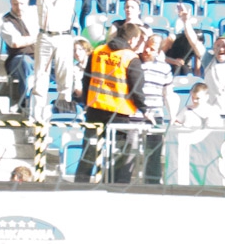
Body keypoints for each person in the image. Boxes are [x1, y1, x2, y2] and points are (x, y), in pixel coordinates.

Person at [74, 22, 147, 183]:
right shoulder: (130, 57)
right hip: (119, 113)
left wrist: (87, 102)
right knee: (118, 153)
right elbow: (136, 87)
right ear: (133, 39)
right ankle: (113, 186)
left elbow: (86, 80)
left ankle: (80, 184)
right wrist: (144, 109)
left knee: (89, 151)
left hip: (95, 109)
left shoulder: (97, 51)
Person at [33, 0, 81, 119]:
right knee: (40, 78)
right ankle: (37, 117)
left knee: (65, 79)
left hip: (64, 37)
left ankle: (62, 115)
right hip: (45, 36)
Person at [137, 34, 172, 183]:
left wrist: (172, 115)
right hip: (136, 114)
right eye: (146, 46)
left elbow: (168, 93)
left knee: (154, 152)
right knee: (129, 150)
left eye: (151, 49)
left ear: (158, 52)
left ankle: (152, 184)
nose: (147, 50)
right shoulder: (135, 63)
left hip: (156, 114)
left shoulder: (165, 68)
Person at [0, 0, 38, 114]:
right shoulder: (5, 20)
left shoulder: (35, 14)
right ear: (11, 3)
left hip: (39, 56)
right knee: (25, 62)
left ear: (27, 2)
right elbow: (16, 42)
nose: (19, 7)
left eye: (22, 3)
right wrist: (38, 37)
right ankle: (25, 101)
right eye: (15, 4)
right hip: (17, 58)